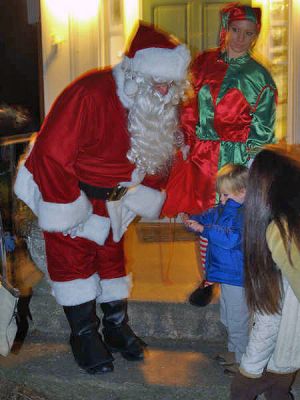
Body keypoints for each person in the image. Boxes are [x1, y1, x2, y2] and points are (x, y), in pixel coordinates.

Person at [14, 22, 191, 375]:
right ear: (133, 71)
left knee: (111, 259)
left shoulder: (159, 102)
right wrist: (69, 207)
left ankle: (114, 327)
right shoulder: (90, 93)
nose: (162, 88)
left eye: (170, 82)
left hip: (116, 198)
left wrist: (147, 193)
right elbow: (51, 154)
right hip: (66, 189)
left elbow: (157, 153)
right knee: (73, 264)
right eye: (156, 79)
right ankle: (83, 334)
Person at [163, 2, 278, 307]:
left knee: (232, 222)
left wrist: (250, 167)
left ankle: (234, 282)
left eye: (248, 33)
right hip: (201, 154)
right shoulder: (202, 64)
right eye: (236, 30)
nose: (240, 38)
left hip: (236, 160)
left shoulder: (260, 77)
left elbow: (264, 130)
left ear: (255, 36)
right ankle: (207, 278)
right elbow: (187, 106)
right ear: (226, 29)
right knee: (203, 217)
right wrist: (185, 137)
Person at [230, 144, 300, 400]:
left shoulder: (279, 232)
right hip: (289, 352)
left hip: (284, 350)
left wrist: (248, 371)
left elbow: (270, 314)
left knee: (244, 391)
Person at [182, 163, 249, 374]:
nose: (221, 199)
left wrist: (204, 229)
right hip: (225, 275)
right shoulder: (224, 208)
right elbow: (207, 217)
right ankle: (233, 350)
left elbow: (231, 239)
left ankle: (244, 361)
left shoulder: (245, 213)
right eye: (220, 194)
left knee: (239, 320)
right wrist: (192, 219)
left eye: (225, 195)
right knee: (228, 317)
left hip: (238, 277)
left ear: (243, 192)